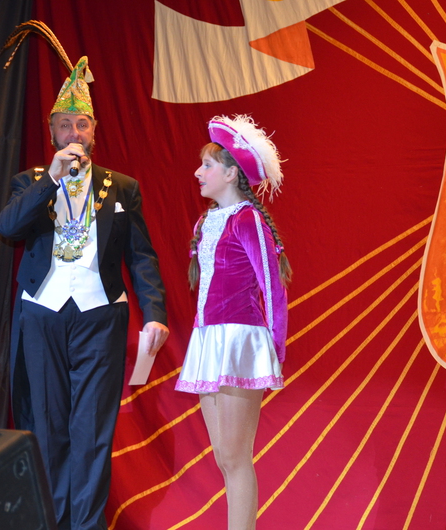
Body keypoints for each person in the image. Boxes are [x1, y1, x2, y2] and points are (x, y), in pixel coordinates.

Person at [0, 37, 168, 530]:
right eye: (65, 124)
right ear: (52, 131)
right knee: (47, 427)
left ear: (94, 130)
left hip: (100, 316)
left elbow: (141, 256)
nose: (74, 132)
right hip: (42, 314)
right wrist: (49, 181)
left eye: (82, 124)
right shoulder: (29, 181)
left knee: (92, 431)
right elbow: (8, 228)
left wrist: (154, 313)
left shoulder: (123, 187)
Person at [175, 115, 291, 529]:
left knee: (237, 456)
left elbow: (272, 287)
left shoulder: (247, 220)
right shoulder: (205, 222)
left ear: (230, 173)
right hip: (209, 340)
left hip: (241, 340)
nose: (198, 172)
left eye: (207, 165)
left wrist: (274, 348)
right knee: (224, 456)